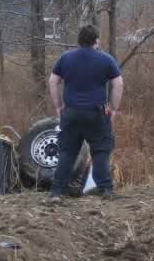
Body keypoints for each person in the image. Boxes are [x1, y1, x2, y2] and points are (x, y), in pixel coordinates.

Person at [47, 24, 124, 202]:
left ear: (79, 41)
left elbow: (53, 81)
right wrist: (113, 109)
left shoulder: (66, 58)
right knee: (100, 151)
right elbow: (118, 84)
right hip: (96, 113)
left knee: (67, 152)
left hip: (71, 112)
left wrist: (59, 106)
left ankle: (57, 192)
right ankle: (106, 190)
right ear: (96, 41)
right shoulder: (106, 59)